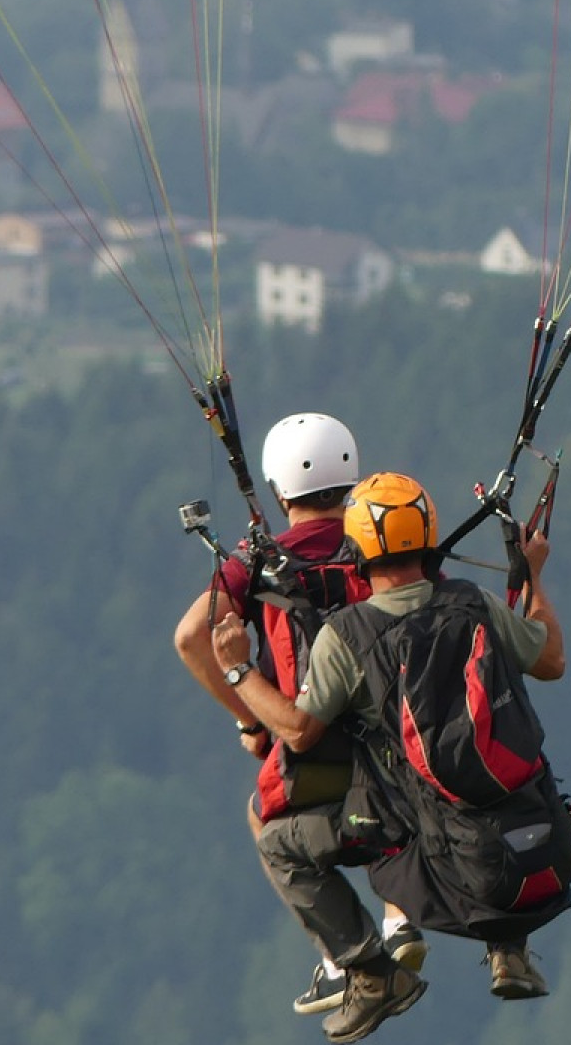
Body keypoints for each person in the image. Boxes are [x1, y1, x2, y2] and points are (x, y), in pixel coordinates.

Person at [211, 472, 568, 1036]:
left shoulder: (350, 635)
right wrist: (535, 578)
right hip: (527, 831)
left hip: (415, 828)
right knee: (470, 775)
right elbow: (549, 661)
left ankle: (372, 975)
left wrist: (238, 669)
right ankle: (509, 948)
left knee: (279, 842)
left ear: (356, 549)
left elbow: (298, 731)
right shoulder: (471, 602)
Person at [171, 414, 426, 1021]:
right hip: (407, 743)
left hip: (310, 744)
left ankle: (344, 957)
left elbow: (190, 638)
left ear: (281, 492)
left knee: (267, 820)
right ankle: (400, 918)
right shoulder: (386, 547)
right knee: (395, 806)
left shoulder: (258, 561)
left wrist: (252, 720)